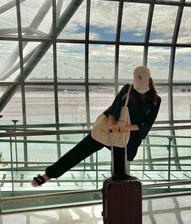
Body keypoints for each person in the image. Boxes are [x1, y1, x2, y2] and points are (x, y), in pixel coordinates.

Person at [31, 66, 161, 187]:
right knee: (80, 151)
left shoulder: (155, 100)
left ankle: (118, 197)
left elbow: (147, 124)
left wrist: (124, 128)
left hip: (127, 138)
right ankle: (48, 174)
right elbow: (114, 107)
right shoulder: (128, 89)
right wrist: (112, 124)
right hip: (107, 130)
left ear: (150, 80)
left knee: (120, 171)